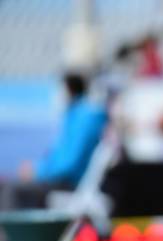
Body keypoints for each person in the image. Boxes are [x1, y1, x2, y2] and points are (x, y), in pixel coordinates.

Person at [0, 72, 107, 210]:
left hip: (68, 182)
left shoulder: (84, 118)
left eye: (59, 90)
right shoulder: (75, 115)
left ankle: (16, 231)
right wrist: (37, 168)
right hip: (60, 178)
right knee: (8, 186)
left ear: (70, 90)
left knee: (12, 189)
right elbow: (58, 157)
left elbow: (68, 164)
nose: (56, 96)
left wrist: (37, 172)